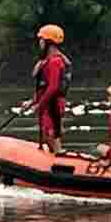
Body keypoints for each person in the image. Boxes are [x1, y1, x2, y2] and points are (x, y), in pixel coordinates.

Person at [31, 24, 71, 155]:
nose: (40, 43)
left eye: (41, 40)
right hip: (48, 102)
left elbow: (53, 87)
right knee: (47, 135)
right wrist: (33, 101)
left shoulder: (55, 61)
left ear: (49, 42)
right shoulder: (47, 60)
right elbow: (43, 85)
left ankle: (58, 155)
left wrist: (40, 104)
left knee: (51, 135)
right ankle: (55, 155)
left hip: (53, 104)